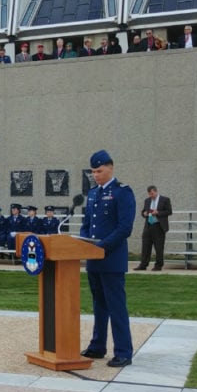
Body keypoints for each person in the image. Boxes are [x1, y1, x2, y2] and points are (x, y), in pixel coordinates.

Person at [80, 149, 137, 368]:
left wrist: (102, 246)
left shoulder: (122, 192)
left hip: (111, 259)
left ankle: (123, 351)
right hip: (93, 259)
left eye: (99, 170)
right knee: (99, 304)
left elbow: (125, 228)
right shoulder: (93, 194)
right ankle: (98, 345)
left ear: (111, 168)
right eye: (93, 171)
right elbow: (87, 224)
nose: (96, 175)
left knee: (116, 306)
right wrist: (85, 242)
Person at [136, 185, 172, 271]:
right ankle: (143, 264)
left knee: (159, 247)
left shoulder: (165, 200)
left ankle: (158, 265)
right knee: (145, 246)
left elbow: (169, 211)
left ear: (156, 191)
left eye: (152, 193)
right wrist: (144, 213)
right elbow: (144, 211)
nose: (151, 196)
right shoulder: (147, 201)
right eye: (149, 194)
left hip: (159, 226)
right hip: (148, 225)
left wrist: (158, 212)